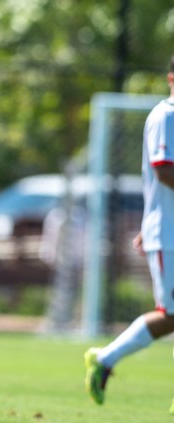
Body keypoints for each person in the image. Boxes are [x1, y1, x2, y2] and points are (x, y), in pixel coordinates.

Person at [84, 54, 174, 411]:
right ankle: (104, 358)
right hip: (169, 235)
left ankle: (105, 358)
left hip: (164, 229)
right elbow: (164, 170)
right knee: (170, 314)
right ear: (171, 78)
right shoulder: (167, 116)